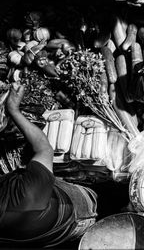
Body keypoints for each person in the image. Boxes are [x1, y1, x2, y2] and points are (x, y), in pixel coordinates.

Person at [0, 83, 98, 247]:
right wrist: (13, 110)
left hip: (39, 232)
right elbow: (44, 148)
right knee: (88, 205)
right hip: (73, 216)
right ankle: (92, 215)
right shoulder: (23, 197)